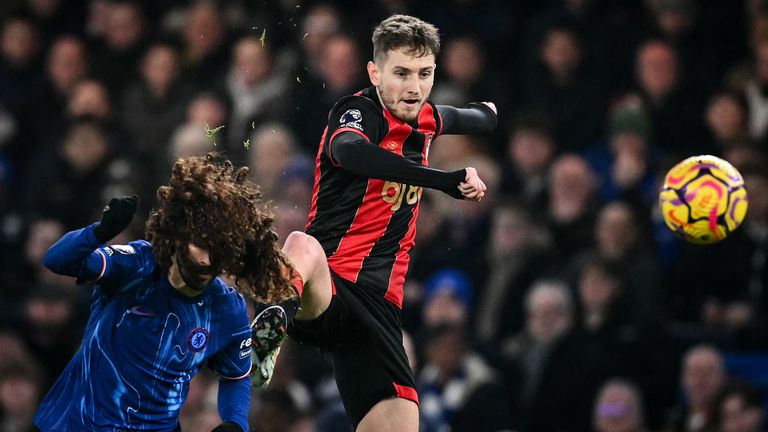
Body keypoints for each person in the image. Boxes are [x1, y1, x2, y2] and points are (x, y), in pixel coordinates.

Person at [273, 14, 497, 431]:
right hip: (331, 286)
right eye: (400, 73)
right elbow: (353, 153)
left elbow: (479, 117)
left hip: (380, 314)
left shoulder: (427, 118)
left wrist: (487, 112)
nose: (413, 87)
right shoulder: (357, 111)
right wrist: (443, 181)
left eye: (424, 73)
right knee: (302, 244)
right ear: (375, 73)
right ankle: (271, 323)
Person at [33, 154, 295, 432]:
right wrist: (98, 233)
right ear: (178, 235)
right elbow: (57, 260)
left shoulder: (227, 309)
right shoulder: (137, 264)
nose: (207, 259)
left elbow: (236, 377)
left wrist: (236, 424)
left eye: (218, 249)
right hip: (76, 423)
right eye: (200, 245)